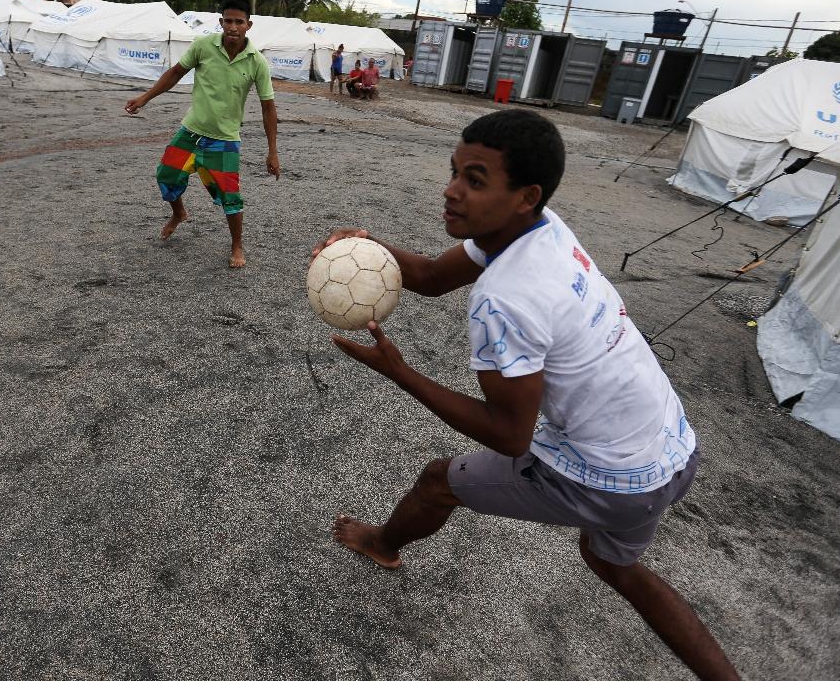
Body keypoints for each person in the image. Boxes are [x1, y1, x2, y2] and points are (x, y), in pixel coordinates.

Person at [315, 109, 739, 680]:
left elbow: (511, 436)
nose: (451, 190)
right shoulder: (541, 229)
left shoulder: (505, 298)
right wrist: (369, 251)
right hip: (671, 449)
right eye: (455, 171)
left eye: (475, 180)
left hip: (608, 476)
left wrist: (401, 372)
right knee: (613, 563)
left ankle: (380, 543)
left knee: (439, 481)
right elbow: (432, 278)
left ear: (525, 195)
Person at [124, 0, 280, 269]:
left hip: (224, 141)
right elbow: (174, 73)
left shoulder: (257, 62)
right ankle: (179, 213)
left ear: (249, 25)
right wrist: (144, 98)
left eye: (239, 22)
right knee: (166, 176)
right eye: (228, 21)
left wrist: (272, 152)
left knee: (230, 197)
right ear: (220, 21)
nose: (233, 27)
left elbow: (268, 108)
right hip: (191, 132)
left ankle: (236, 244)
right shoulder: (203, 46)